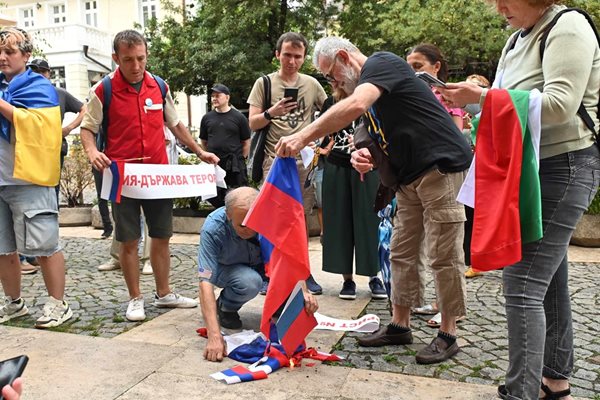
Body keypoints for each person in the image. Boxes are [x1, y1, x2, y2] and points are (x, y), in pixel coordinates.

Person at [275, 36, 472, 364]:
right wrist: (364, 156)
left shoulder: (382, 63)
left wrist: (302, 135)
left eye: (331, 75)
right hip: (408, 179)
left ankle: (449, 334)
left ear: (343, 57)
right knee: (401, 252)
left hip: (441, 167)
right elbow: (374, 140)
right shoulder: (371, 96)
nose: (333, 82)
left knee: (443, 253)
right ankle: (400, 325)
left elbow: (354, 106)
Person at [439, 2, 599, 399]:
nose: (499, 7)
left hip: (564, 167)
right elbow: (507, 102)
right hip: (530, 169)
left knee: (523, 282)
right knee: (551, 280)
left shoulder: (568, 26)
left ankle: (520, 392)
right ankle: (555, 381)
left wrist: (483, 96)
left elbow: (561, 106)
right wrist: (477, 100)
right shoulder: (516, 39)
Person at [80, 29, 219, 322]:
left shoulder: (159, 86)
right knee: (129, 240)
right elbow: (88, 128)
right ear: (116, 58)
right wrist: (92, 152)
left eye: (141, 58)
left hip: (157, 176)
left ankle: (164, 293)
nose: (135, 66)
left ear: (147, 55)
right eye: (128, 60)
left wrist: (198, 151)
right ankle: (135, 298)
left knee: (162, 236)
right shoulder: (103, 90)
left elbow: (176, 124)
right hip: (123, 177)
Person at [0, 27, 73, 328]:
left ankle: (59, 304)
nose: (3, 57)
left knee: (45, 246)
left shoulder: (39, 87)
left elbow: (41, 127)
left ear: (26, 55)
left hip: (29, 179)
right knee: (3, 249)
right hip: (1, 180)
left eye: (10, 52)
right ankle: (15, 304)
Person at [247, 31, 328, 295]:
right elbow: (252, 122)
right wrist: (273, 112)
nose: (292, 61)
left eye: (297, 56)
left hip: (303, 162)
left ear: (304, 59)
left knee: (300, 219)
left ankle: (302, 271)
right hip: (274, 162)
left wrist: (320, 141)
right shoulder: (264, 83)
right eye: (287, 55)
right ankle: (271, 271)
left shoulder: (312, 85)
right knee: (273, 220)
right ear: (277, 55)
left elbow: (330, 114)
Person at [198, 187, 319, 362]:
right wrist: (214, 336)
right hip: (228, 269)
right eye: (242, 225)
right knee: (249, 282)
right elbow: (205, 283)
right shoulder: (213, 228)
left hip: (262, 265)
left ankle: (279, 301)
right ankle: (226, 307)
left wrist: (304, 293)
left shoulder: (272, 218)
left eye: (253, 222)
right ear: (228, 215)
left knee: (288, 304)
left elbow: (289, 259)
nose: (249, 229)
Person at [406, 43, 467, 328]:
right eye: (409, 67)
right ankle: (430, 303)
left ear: (436, 67)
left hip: (442, 171)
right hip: (414, 173)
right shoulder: (413, 94)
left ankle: (450, 316)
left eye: (418, 66)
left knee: (444, 246)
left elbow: (455, 135)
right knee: (414, 245)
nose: (413, 72)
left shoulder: (446, 96)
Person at [319, 91, 386, 300]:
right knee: (339, 221)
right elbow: (323, 132)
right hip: (337, 165)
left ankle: (374, 276)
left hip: (368, 167)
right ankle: (347, 279)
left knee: (370, 220)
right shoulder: (331, 102)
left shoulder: (374, 99)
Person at [26, 58, 87, 204]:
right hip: (29, 149)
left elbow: (85, 109)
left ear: (49, 74)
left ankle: (53, 221)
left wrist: (69, 128)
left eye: (42, 71)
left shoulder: (59, 93)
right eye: (34, 71)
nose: (39, 74)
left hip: (54, 148)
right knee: (31, 191)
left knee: (52, 189)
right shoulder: (25, 94)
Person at [200, 83, 251, 208]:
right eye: (212, 96)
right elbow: (203, 141)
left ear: (227, 97)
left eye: (218, 95)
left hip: (234, 165)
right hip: (215, 165)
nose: (214, 99)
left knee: (237, 197)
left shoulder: (239, 117)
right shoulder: (207, 118)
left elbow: (246, 142)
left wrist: (241, 159)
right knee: (215, 197)